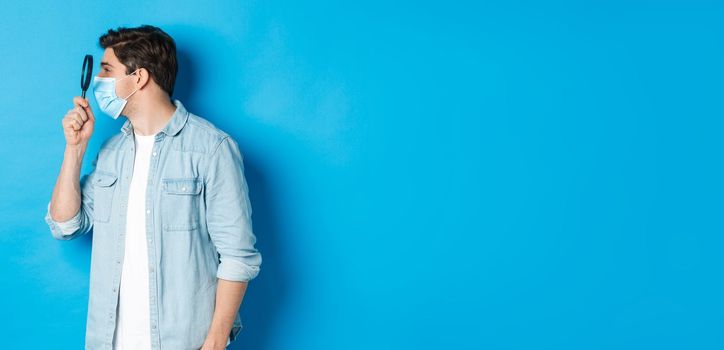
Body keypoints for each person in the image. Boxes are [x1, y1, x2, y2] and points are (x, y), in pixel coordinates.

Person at [44, 25, 261, 350]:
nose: (100, 81)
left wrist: (214, 343)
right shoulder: (110, 153)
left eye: (107, 70)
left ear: (139, 77)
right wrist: (74, 149)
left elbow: (238, 257)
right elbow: (64, 225)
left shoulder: (211, 149)